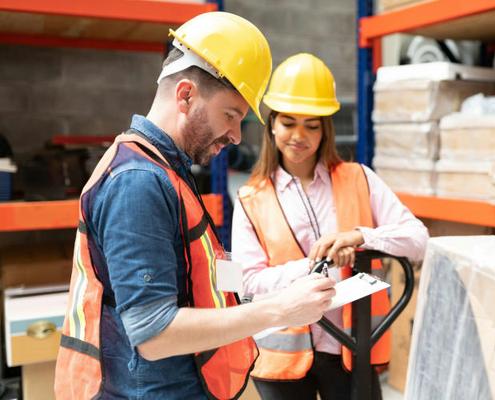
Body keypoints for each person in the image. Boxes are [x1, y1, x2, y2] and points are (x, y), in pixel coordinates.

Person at [54, 13, 336, 400]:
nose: (237, 136)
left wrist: (279, 283)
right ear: (185, 95)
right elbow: (154, 333)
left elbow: (196, 268)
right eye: (231, 115)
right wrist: (281, 311)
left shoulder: (164, 167)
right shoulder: (138, 182)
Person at [232, 53, 428, 400]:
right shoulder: (251, 198)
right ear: (272, 124)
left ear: (325, 129)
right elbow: (248, 281)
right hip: (283, 358)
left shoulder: (359, 178)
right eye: (289, 122)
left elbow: (418, 240)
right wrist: (312, 266)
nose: (299, 135)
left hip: (351, 348)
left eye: (312, 124)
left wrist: (361, 237)